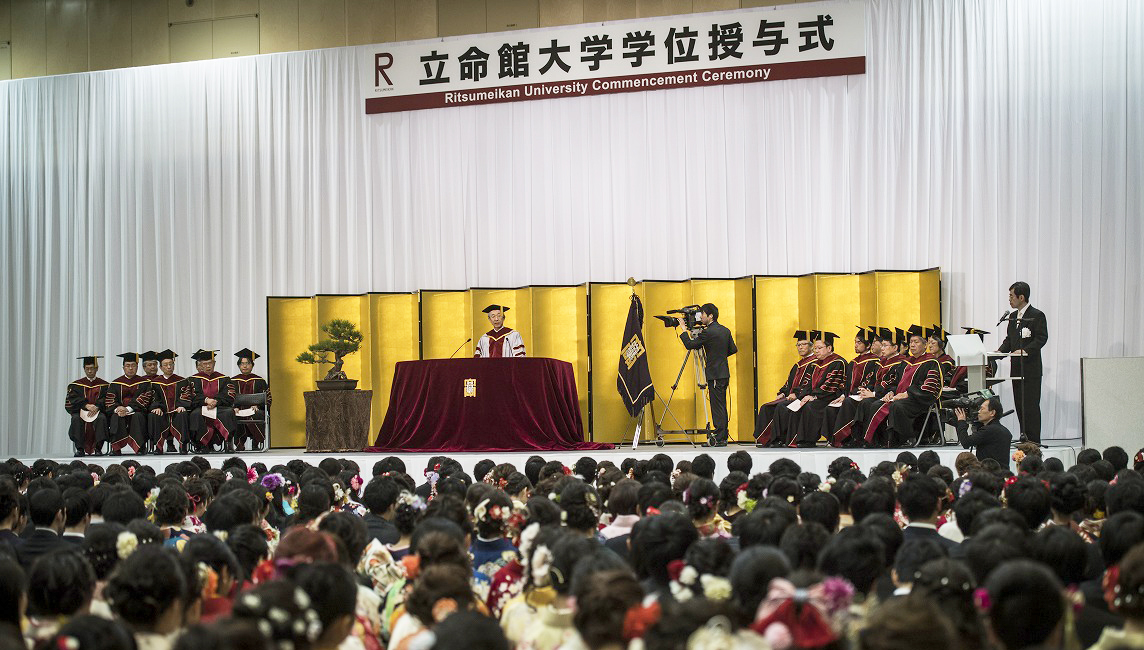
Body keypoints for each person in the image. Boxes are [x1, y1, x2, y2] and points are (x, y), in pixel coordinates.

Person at [859, 326, 941, 447]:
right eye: (911, 342)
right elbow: (895, 383)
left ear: (925, 345)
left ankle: (902, 439)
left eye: (916, 342)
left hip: (918, 399)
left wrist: (908, 394)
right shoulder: (906, 362)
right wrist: (891, 392)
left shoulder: (932, 362)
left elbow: (929, 387)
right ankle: (879, 441)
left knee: (897, 406)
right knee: (874, 403)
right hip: (899, 397)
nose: (912, 345)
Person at [677, 303, 737, 447]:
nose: (700, 317)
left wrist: (684, 330)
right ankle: (722, 435)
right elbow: (733, 349)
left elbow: (690, 345)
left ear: (710, 316)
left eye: (702, 314)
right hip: (723, 372)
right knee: (721, 404)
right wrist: (719, 356)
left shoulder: (708, 332)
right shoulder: (725, 330)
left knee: (717, 406)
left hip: (715, 374)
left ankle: (720, 437)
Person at [997, 281, 1048, 443]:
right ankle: (1023, 436)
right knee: (1019, 404)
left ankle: (1033, 440)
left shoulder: (1037, 315)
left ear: (1021, 297)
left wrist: (1026, 350)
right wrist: (998, 352)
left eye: (1011, 296)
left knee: (1031, 405)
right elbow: (1009, 340)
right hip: (1016, 368)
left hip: (1030, 368)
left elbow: (1041, 338)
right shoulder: (1012, 316)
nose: (1009, 300)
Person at [755, 330, 815, 447]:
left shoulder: (814, 363)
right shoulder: (798, 364)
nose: (800, 347)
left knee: (781, 407)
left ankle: (779, 439)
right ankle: (766, 439)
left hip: (802, 397)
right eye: (798, 345)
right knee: (766, 407)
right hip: (790, 396)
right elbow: (789, 382)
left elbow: (809, 384)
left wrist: (797, 395)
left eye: (804, 344)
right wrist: (783, 392)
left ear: (811, 347)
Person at [785, 331, 845, 447]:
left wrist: (814, 396)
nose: (816, 351)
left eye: (819, 348)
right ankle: (794, 440)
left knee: (810, 406)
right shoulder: (815, 364)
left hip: (828, 397)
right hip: (816, 396)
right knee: (798, 404)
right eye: (815, 348)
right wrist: (804, 396)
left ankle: (808, 440)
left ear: (829, 348)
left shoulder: (838, 362)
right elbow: (808, 384)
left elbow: (830, 385)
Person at [187, 350, 238, 453]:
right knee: (195, 415)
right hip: (201, 407)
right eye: (205, 364)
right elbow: (191, 396)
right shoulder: (193, 379)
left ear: (214, 363)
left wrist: (216, 401)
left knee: (228, 413)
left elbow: (229, 395)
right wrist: (206, 400)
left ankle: (228, 442)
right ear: (200, 365)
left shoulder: (224, 379)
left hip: (220, 407)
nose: (208, 366)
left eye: (210, 363)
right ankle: (201, 444)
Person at [145, 350, 192, 455]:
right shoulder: (154, 383)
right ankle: (158, 447)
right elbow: (153, 397)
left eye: (171, 364)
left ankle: (183, 445)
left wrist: (181, 405)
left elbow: (186, 394)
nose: (169, 367)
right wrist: (156, 407)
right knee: (154, 415)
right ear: (161, 368)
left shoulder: (182, 381)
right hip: (163, 412)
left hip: (177, 411)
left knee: (183, 414)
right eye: (165, 365)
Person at [105, 352, 151, 456]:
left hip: (136, 411)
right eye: (128, 366)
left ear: (137, 367)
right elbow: (110, 400)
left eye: (133, 366)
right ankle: (116, 448)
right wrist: (118, 409)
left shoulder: (144, 382)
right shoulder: (115, 383)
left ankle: (140, 447)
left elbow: (145, 398)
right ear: (123, 367)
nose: (130, 368)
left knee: (138, 417)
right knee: (115, 416)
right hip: (119, 411)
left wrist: (128, 409)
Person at [65, 356, 109, 457]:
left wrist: (97, 406)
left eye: (92, 368)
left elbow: (107, 399)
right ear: (84, 369)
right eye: (87, 368)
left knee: (102, 418)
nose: (89, 371)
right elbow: (71, 401)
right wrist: (85, 405)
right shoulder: (75, 385)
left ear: (97, 369)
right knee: (76, 418)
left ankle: (98, 448)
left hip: (98, 411)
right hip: (80, 411)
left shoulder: (105, 385)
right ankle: (80, 449)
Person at [954, 396, 1012, 470]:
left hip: (988, 476)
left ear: (992, 413)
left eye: (982, 409)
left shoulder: (988, 430)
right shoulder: (1005, 431)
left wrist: (961, 422)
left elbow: (966, 442)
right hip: (1003, 474)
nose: (978, 411)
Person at [230, 349, 271, 452]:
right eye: (242, 363)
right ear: (238, 365)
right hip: (239, 410)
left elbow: (268, 398)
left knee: (258, 414)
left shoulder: (260, 381)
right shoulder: (232, 381)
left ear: (252, 365)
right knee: (232, 415)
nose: (245, 366)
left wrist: (258, 406)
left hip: (254, 410)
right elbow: (228, 398)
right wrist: (233, 408)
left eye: (247, 363)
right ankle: (239, 444)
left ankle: (256, 443)